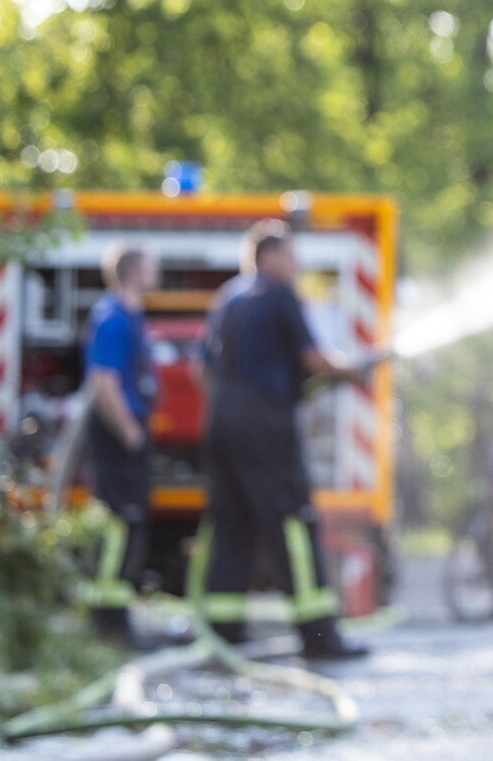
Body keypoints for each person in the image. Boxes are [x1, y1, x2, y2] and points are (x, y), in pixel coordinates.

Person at [199, 219, 372, 660]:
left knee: (233, 524)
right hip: (266, 426)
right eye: (291, 254)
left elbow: (204, 369)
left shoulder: (229, 298)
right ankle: (319, 638)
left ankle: (223, 632)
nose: (297, 263)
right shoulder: (279, 296)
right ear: (269, 256)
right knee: (294, 522)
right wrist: (353, 369)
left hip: (221, 422)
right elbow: (313, 359)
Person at [80, 242, 159, 644]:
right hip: (117, 434)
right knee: (118, 523)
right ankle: (108, 622)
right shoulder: (112, 319)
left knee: (131, 523)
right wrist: (128, 429)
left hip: (129, 428)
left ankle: (116, 615)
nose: (156, 272)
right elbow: (103, 382)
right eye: (149, 265)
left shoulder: (130, 316)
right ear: (132, 272)